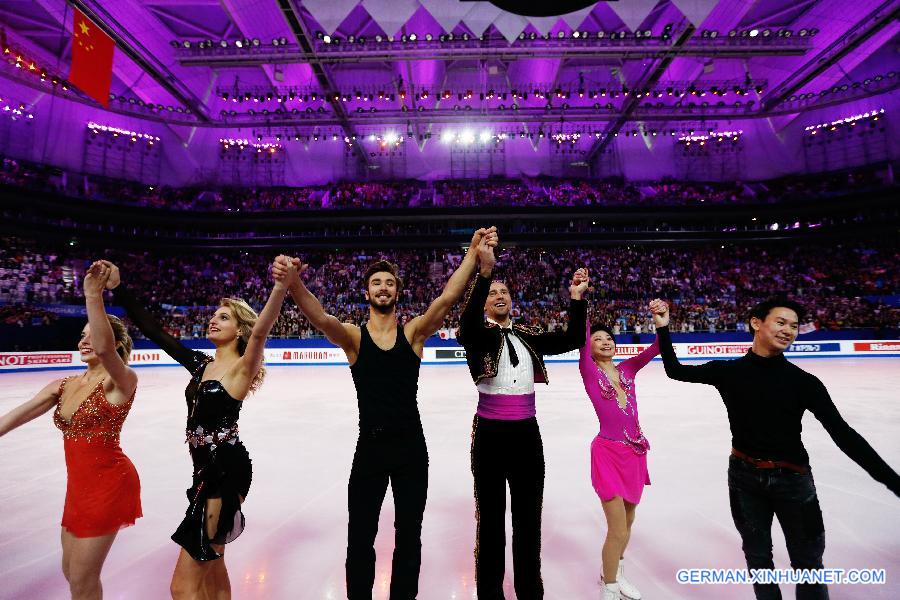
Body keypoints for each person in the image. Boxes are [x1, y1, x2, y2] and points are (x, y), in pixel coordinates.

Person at [273, 227, 498, 600]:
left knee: (409, 537)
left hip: (411, 450)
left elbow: (446, 299)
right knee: (360, 536)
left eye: (388, 283)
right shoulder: (354, 338)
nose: (382, 287)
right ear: (367, 293)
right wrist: (294, 283)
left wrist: (473, 255)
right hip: (370, 451)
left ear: (397, 292)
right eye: (376, 283)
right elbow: (320, 318)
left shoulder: (412, 335)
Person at [650, 297, 900, 600]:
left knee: (808, 565)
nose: (788, 331)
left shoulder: (805, 383)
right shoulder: (728, 372)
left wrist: (893, 481)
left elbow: (843, 435)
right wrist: (663, 326)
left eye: (794, 326)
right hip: (743, 481)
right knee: (759, 562)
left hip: (794, 482)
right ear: (757, 323)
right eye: (781, 322)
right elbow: (675, 370)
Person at [102, 259, 293, 599]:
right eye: (214, 315)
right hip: (204, 469)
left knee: (182, 587)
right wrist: (119, 289)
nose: (213, 320)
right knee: (215, 563)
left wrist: (280, 286)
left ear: (240, 330)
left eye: (224, 317)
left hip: (225, 471)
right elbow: (156, 333)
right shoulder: (201, 364)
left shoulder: (241, 368)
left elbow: (262, 329)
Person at [0, 261, 140, 600]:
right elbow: (17, 415)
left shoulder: (120, 381)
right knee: (71, 572)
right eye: (82, 336)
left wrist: (93, 295)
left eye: (94, 335)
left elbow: (105, 350)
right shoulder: (62, 385)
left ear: (116, 343)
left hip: (110, 483)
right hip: (77, 489)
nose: (86, 341)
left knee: (81, 579)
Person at [456, 247, 588, 600]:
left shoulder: (528, 335)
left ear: (512, 301)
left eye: (505, 292)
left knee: (529, 520)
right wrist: (484, 274)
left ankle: (531, 591)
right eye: (493, 293)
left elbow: (573, 339)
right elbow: (465, 325)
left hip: (527, 435)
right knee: (491, 523)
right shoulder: (477, 335)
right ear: (485, 303)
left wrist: (576, 299)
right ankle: (489, 594)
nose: (500, 296)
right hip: (490, 435)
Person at [578, 315, 659, 600]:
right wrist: (581, 300)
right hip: (608, 453)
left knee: (628, 520)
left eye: (609, 337)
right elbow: (581, 334)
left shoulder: (627, 369)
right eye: (597, 339)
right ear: (588, 347)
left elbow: (657, 348)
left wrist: (662, 322)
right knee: (617, 528)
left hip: (635, 452)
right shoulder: (589, 371)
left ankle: (615, 572)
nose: (605, 341)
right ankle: (609, 587)